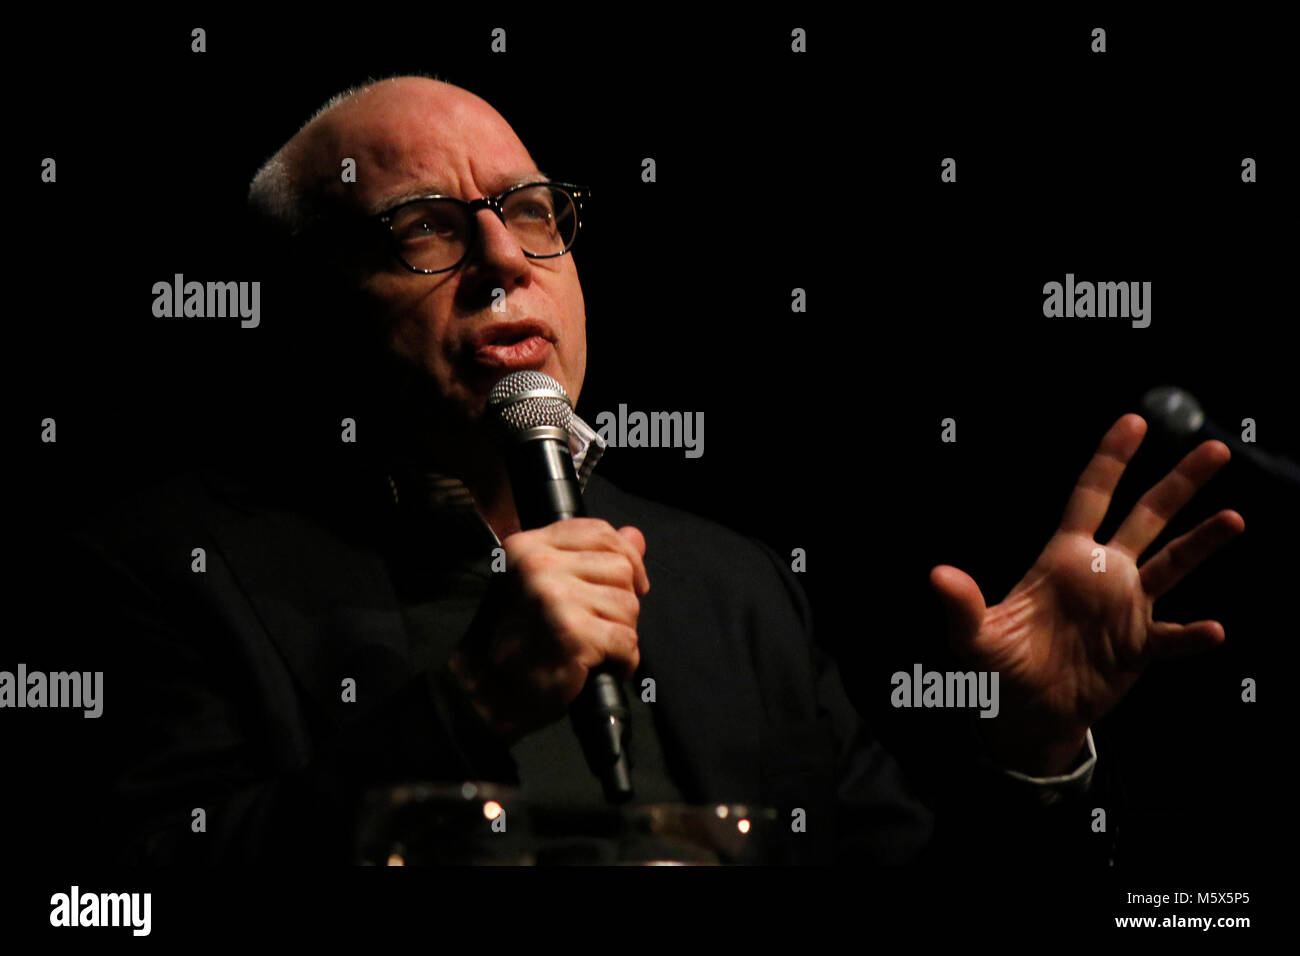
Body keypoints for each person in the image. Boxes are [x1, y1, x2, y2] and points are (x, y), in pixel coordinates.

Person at [46, 76, 1244, 866]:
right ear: (307, 309)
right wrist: (461, 712)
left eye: (529, 210)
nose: (501, 258)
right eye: (423, 227)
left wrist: (1028, 746)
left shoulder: (731, 585)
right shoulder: (156, 571)